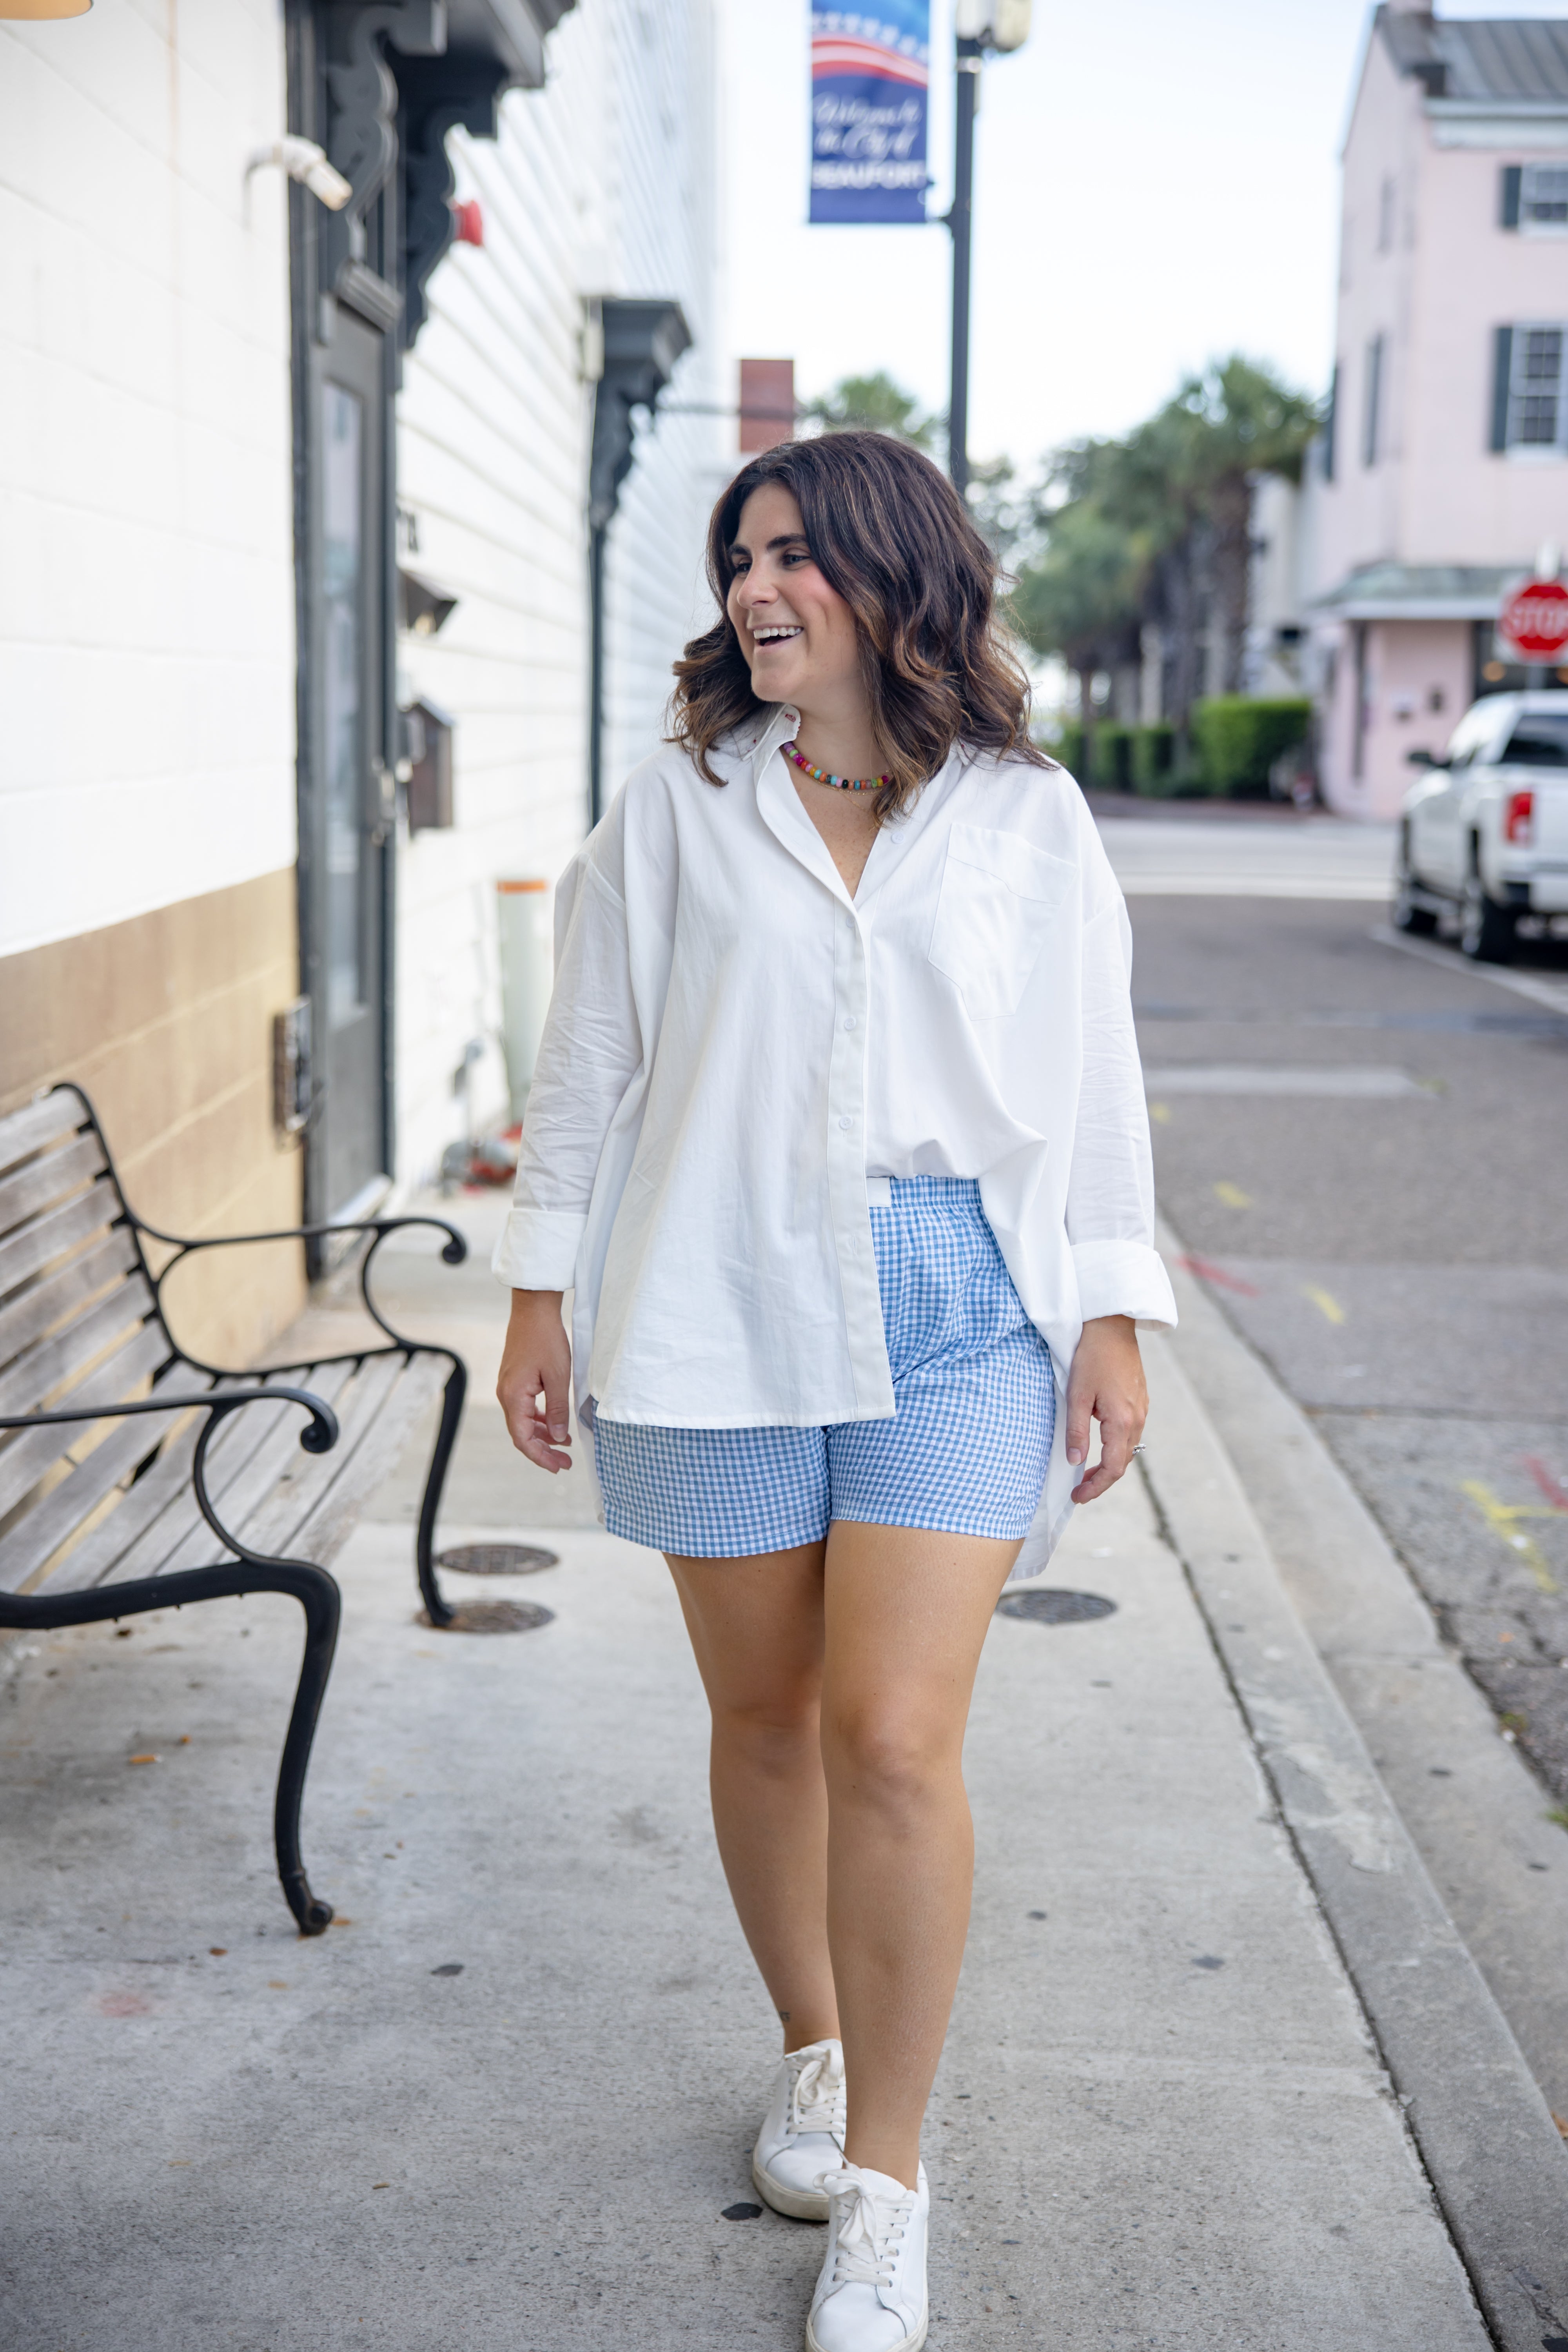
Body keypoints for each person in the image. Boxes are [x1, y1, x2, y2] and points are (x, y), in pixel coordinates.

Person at [493, 429, 1176, 2352]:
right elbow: (591, 1062)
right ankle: (811, 2049)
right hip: (712, 1290)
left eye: (795, 553)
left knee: (891, 1731)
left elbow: (1095, 1074)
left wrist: (1109, 1312)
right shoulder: (680, 806)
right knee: (771, 1714)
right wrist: (536, 1292)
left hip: (960, 1298)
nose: (756, 589)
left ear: (894, 576)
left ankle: (886, 2182)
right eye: (740, 558)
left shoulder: (1027, 818)